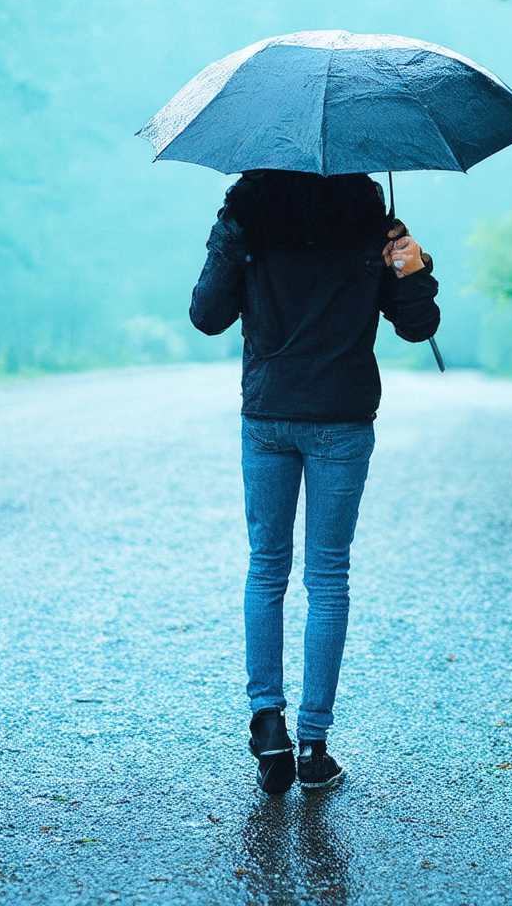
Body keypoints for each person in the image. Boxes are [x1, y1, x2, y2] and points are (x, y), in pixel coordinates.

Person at [188, 169, 439, 793]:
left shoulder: (249, 215)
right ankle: (313, 746)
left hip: (268, 415)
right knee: (328, 577)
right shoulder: (368, 217)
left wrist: (229, 237)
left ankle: (266, 723)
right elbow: (417, 328)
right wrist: (412, 267)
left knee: (266, 569)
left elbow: (207, 316)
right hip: (342, 420)